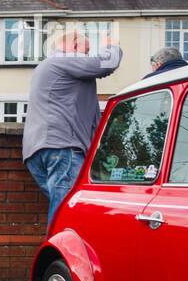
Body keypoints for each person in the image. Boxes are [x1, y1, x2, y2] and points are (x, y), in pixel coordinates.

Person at [23, 30, 123, 229]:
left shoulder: (50, 67)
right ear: (75, 46)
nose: (87, 57)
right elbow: (103, 64)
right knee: (67, 209)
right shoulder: (62, 60)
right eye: (86, 51)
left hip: (42, 149)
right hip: (62, 147)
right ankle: (59, 256)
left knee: (65, 205)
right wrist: (111, 46)